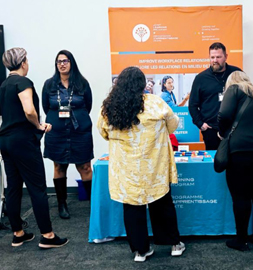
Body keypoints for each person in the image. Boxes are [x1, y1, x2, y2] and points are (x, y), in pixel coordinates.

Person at [97, 67, 185, 262]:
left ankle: (140, 251)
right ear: (142, 84)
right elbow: (173, 124)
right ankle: (174, 244)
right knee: (162, 202)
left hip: (126, 168)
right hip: (153, 164)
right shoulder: (155, 103)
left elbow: (103, 132)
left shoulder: (109, 107)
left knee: (132, 207)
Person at [0, 47, 68, 248]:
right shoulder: (23, 82)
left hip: (5, 140)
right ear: (22, 63)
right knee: (37, 188)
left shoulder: (3, 85)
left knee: (13, 188)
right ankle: (48, 236)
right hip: (23, 141)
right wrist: (39, 125)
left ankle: (18, 234)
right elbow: (29, 110)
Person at [217, 71, 253, 251]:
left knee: (241, 195)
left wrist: (222, 133)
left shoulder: (233, 90)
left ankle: (241, 240)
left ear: (230, 82)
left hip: (241, 150)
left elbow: (224, 116)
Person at [42, 50, 93, 219]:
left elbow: (88, 105)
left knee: (85, 167)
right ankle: (62, 205)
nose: (62, 64)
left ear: (72, 63)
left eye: (65, 61)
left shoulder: (82, 83)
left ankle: (93, 204)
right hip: (57, 132)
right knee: (59, 166)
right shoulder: (49, 84)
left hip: (80, 131)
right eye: (58, 62)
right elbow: (46, 107)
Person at [189, 42, 241, 150]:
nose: (215, 60)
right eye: (212, 57)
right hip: (211, 130)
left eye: (218, 57)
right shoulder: (201, 78)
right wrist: (201, 124)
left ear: (226, 57)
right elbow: (193, 105)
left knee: (236, 163)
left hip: (234, 129)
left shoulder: (236, 74)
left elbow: (246, 98)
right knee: (214, 164)